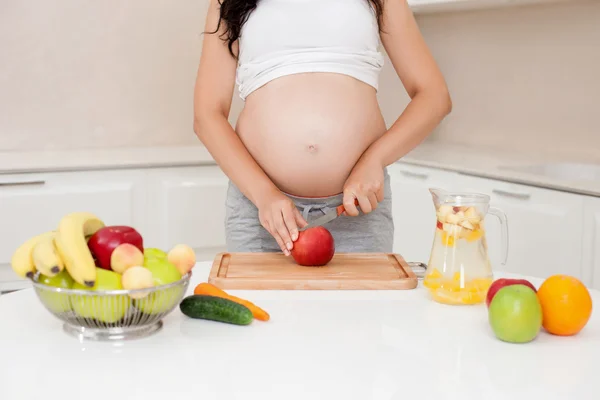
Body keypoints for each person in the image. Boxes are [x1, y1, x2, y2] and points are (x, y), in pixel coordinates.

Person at [193, 0, 451, 256]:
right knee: (256, 300)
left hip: (358, 206)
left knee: (368, 299)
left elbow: (434, 96)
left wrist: (375, 160)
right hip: (264, 212)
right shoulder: (226, 2)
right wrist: (264, 195)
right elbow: (207, 116)